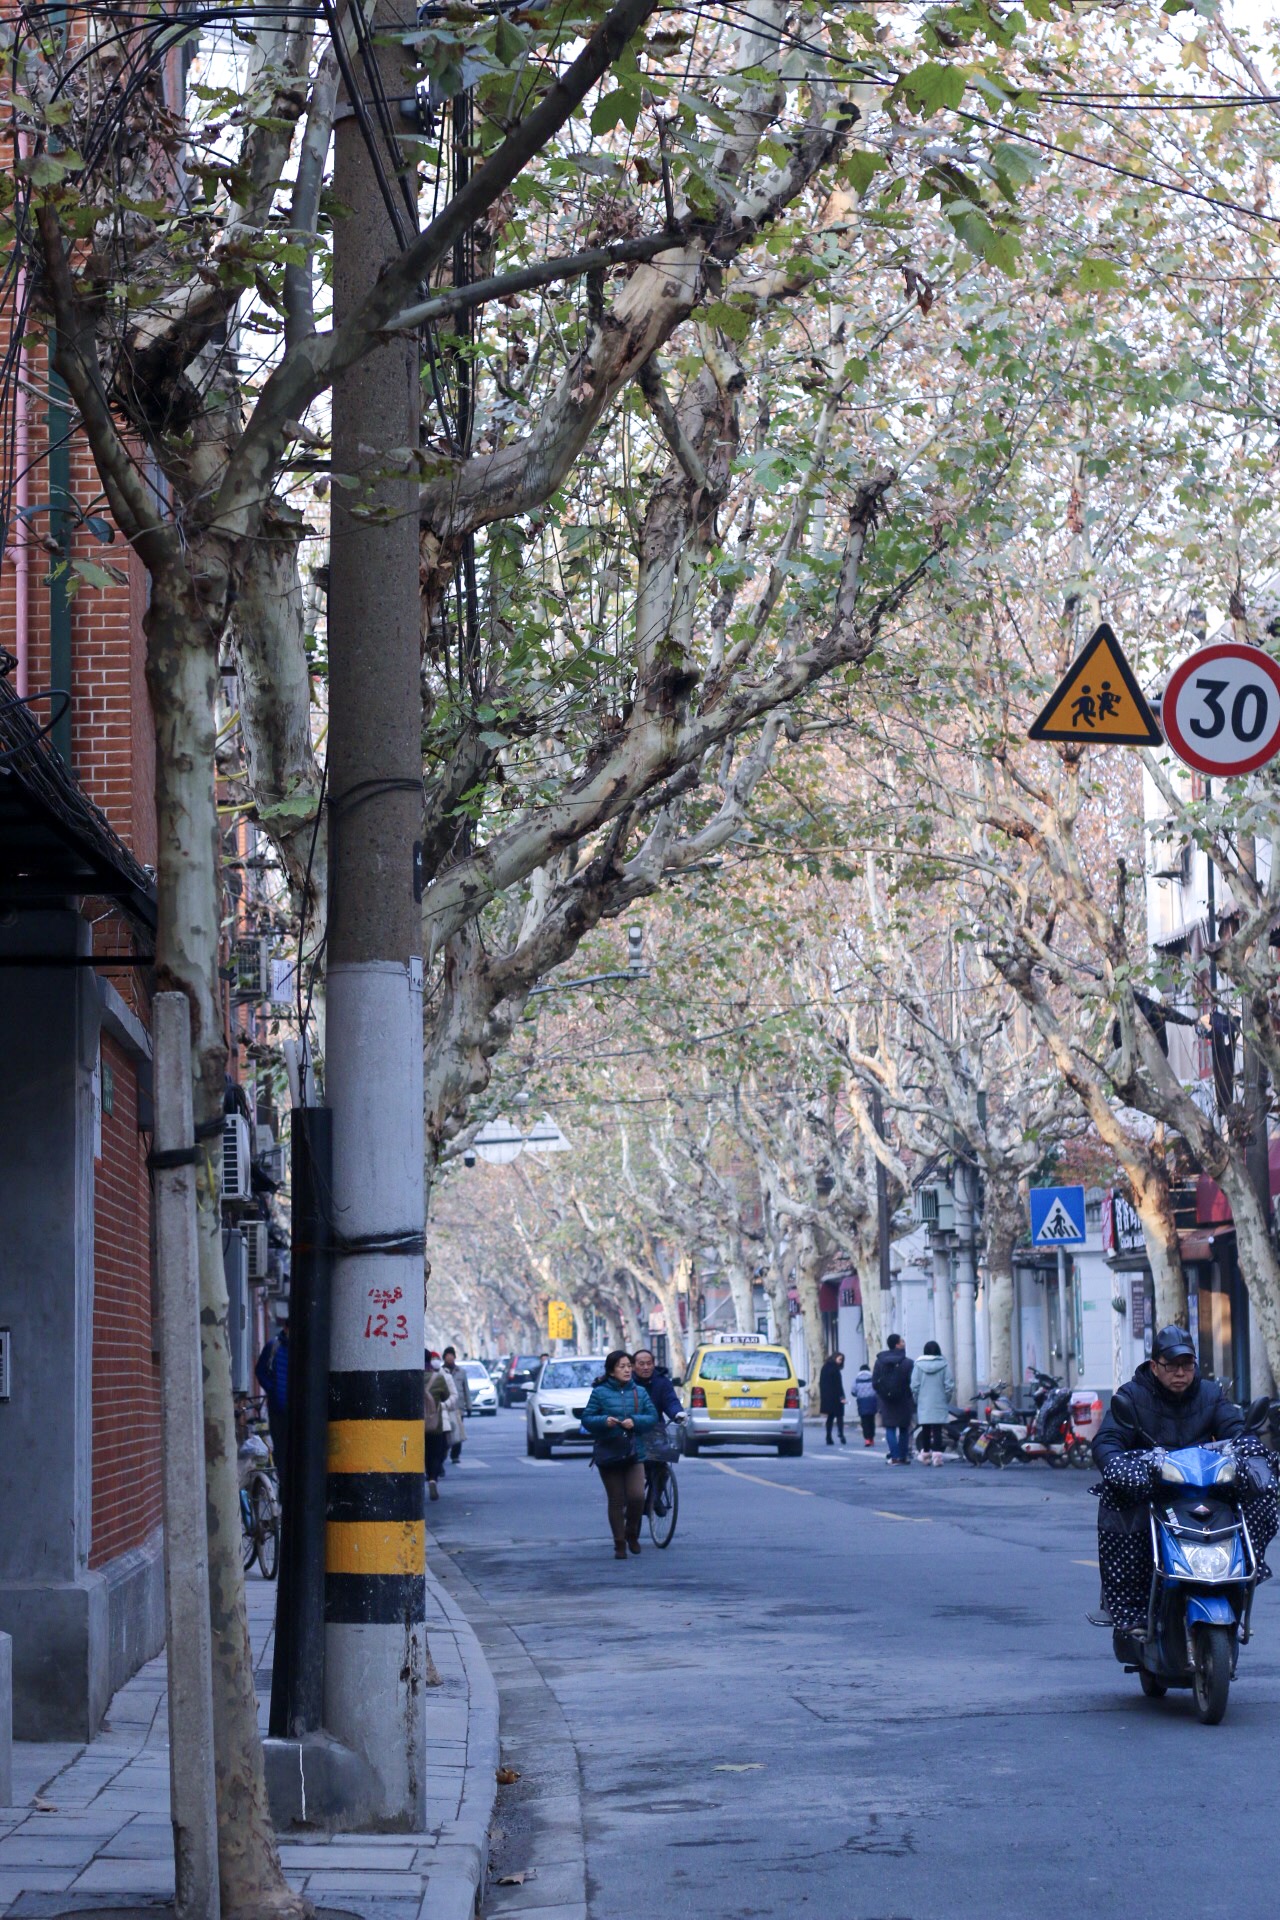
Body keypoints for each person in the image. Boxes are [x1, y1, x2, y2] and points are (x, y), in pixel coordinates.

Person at [1092, 1325, 1277, 1631]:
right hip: (1153, 1488)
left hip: (1206, 1487)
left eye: (1186, 1365)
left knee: (1258, 1495)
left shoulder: (1211, 1394)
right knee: (1117, 1500)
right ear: (1154, 1366)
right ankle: (1131, 1607)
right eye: (1172, 1365)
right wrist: (1119, 1465)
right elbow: (1108, 1440)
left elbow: (1236, 1431)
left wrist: (1254, 1454)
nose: (1180, 1372)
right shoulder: (1132, 1396)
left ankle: (1240, 1582)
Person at [582, 1351, 658, 1559]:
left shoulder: (640, 1392)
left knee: (636, 1497)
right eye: (621, 1366)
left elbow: (652, 1416)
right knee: (616, 1500)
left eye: (628, 1366)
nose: (626, 1370)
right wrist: (603, 1421)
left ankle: (631, 1532)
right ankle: (619, 1543)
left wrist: (635, 1421)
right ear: (611, 1371)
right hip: (609, 1452)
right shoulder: (599, 1393)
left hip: (634, 1452)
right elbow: (587, 1418)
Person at [633, 1348, 683, 1505]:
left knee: (662, 1464)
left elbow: (671, 1401)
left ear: (654, 1365)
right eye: (641, 1364)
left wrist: (677, 1414)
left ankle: (656, 1498)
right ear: (634, 1366)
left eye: (649, 1363)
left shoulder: (662, 1382)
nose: (646, 1367)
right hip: (632, 1431)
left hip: (655, 1430)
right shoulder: (628, 1383)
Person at [255, 1322, 290, 1490]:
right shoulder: (274, 1346)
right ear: (286, 1328)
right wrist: (272, 1390)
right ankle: (284, 1489)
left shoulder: (305, 1348)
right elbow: (260, 1371)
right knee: (281, 1450)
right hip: (278, 1409)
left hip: (298, 1411)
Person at [912, 1339, 955, 1466]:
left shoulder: (918, 1365)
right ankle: (937, 1455)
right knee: (937, 1429)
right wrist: (945, 1399)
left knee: (925, 1428)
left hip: (924, 1401)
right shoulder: (944, 1365)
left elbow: (914, 1385)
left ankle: (925, 1454)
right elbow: (949, 1385)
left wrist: (917, 1399)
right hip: (939, 1400)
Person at [873, 1334, 914, 1464]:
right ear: (897, 1345)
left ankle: (894, 1457)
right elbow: (912, 1383)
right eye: (902, 1341)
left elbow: (874, 1382)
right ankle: (903, 1456)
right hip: (904, 1400)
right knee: (903, 1428)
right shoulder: (908, 1363)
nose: (904, 1342)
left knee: (890, 1428)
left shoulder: (879, 1361)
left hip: (886, 1400)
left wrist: (882, 1393)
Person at [424, 1351, 452, 1501]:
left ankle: (426, 1475)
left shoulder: (413, 1377)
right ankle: (433, 1478)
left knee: (423, 1453)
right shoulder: (438, 1378)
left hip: (415, 1425)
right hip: (435, 1423)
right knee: (435, 1454)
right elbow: (446, 1397)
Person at [442, 1346, 470, 1464]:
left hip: (458, 1407)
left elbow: (466, 1390)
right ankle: (443, 1454)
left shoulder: (461, 1372)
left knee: (458, 1431)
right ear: (444, 1357)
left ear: (454, 1356)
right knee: (445, 1432)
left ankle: (455, 1455)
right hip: (445, 1407)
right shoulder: (440, 1372)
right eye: (448, 1355)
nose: (450, 1357)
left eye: (452, 1355)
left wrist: (469, 1406)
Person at [819, 1351, 847, 1446]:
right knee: (839, 1416)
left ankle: (828, 1436)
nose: (840, 1361)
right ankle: (840, 1433)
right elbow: (838, 1385)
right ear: (835, 1358)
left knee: (830, 1418)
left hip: (827, 1397)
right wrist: (842, 1397)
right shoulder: (835, 1369)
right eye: (839, 1359)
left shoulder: (825, 1367)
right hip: (836, 1396)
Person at [853, 1363, 878, 1447]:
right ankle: (871, 1438)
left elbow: (853, 1391)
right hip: (872, 1401)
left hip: (862, 1402)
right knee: (871, 1420)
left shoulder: (857, 1379)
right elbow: (877, 1387)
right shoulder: (872, 1377)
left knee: (864, 1421)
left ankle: (867, 1439)